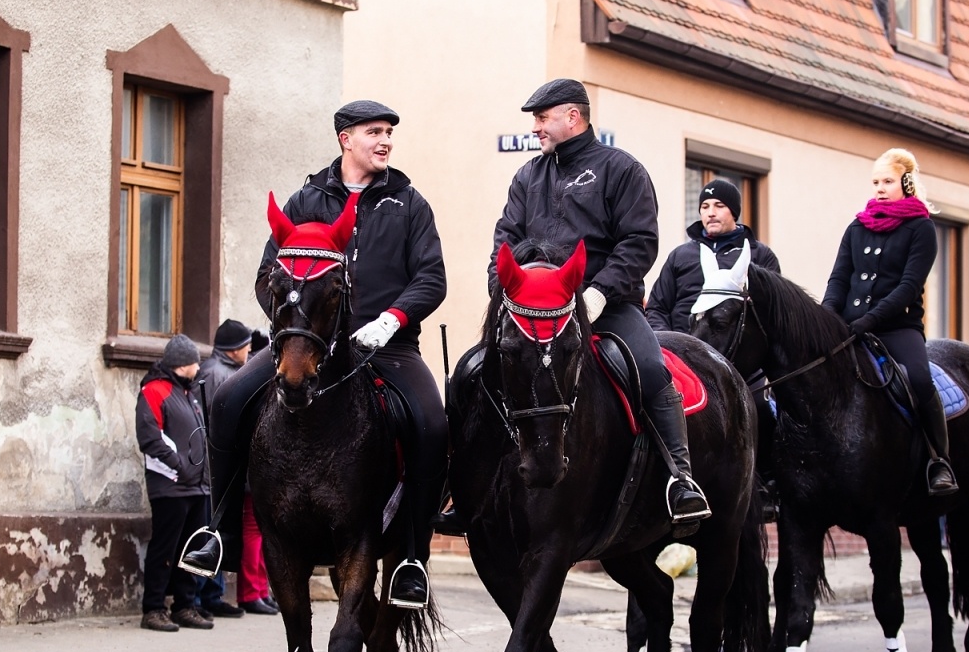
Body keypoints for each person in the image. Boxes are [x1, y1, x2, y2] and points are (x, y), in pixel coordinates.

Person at [209, 100, 448, 610]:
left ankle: (412, 558)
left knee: (431, 424)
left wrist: (390, 321)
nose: (385, 141)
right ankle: (218, 535)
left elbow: (432, 279)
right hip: (309, 343)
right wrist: (292, 325)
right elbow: (267, 277)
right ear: (345, 139)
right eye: (374, 132)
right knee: (227, 401)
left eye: (389, 133)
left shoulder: (409, 205)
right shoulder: (305, 199)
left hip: (388, 346)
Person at [490, 77, 711, 525]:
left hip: (606, 305)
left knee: (650, 369)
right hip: (536, 311)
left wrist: (599, 291)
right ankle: (464, 485)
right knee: (480, 368)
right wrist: (501, 287)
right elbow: (506, 238)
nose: (535, 128)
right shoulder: (527, 175)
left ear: (572, 116)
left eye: (541, 118)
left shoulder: (622, 169)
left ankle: (680, 478)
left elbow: (639, 242)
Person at [822, 148, 957, 496]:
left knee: (921, 380)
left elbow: (909, 286)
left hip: (898, 326)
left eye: (888, 181)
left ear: (907, 183)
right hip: (851, 325)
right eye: (876, 182)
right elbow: (839, 279)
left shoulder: (921, 228)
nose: (880, 188)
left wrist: (871, 318)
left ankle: (937, 460)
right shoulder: (857, 226)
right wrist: (826, 318)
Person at [136, 334, 215, 632]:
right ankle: (153, 608)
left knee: (189, 550)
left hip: (196, 485)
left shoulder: (189, 392)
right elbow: (150, 438)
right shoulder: (155, 391)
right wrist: (180, 467)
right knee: (164, 549)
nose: (198, 367)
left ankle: (185, 605)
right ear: (184, 365)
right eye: (195, 362)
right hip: (170, 485)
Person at [195, 320, 268, 616]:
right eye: (245, 346)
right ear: (234, 349)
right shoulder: (216, 374)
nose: (249, 351)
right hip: (222, 465)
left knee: (237, 530)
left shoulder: (230, 371)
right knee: (218, 528)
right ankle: (206, 597)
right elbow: (218, 424)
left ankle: (216, 595)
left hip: (235, 464)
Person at [645, 177, 780, 332]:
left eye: (719, 206)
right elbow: (657, 308)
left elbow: (772, 312)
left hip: (733, 352)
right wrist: (669, 343)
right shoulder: (680, 256)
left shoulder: (760, 255)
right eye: (705, 206)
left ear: (734, 212)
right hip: (679, 350)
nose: (711, 213)